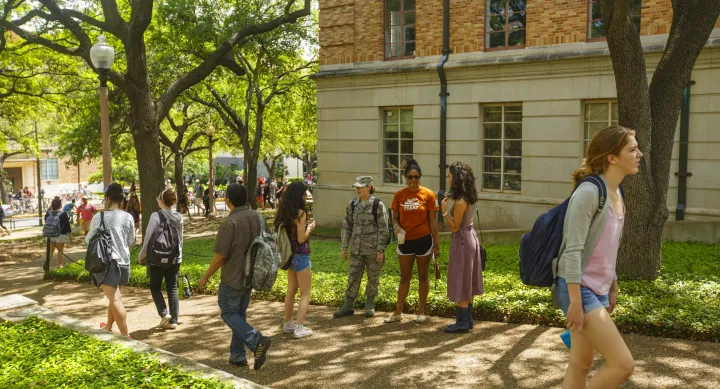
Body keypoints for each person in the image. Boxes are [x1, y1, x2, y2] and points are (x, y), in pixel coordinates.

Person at [554, 126, 641, 388]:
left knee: (581, 363)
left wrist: (612, 283)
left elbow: (607, 246)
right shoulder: (590, 192)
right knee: (623, 364)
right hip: (577, 288)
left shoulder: (618, 193)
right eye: (632, 149)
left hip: (598, 288)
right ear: (611, 157)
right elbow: (573, 249)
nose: (640, 154)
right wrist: (575, 301)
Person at [197, 184, 272, 370]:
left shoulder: (229, 223)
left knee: (229, 313)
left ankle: (256, 340)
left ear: (228, 200)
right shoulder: (257, 216)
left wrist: (205, 277)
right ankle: (237, 356)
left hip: (233, 277)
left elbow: (221, 256)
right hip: (251, 276)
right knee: (239, 315)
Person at [386, 159, 440, 324]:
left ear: (420, 177)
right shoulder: (399, 195)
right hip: (405, 241)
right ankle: (397, 312)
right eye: (410, 177)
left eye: (416, 177)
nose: (413, 180)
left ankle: (421, 312)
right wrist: (395, 227)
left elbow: (433, 222)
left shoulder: (428, 195)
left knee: (423, 276)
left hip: (423, 239)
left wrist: (436, 245)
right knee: (404, 277)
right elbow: (395, 218)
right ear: (405, 177)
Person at [334, 176, 389, 318]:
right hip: (356, 249)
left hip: (373, 250)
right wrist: (345, 246)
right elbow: (347, 226)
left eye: (360, 187)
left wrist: (380, 250)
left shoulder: (378, 205)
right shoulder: (352, 204)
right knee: (353, 276)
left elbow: (383, 229)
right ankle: (348, 305)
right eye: (356, 186)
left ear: (369, 187)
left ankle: (369, 304)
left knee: (373, 277)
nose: (357, 189)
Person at [86, 183, 136, 338]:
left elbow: (89, 239)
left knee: (114, 299)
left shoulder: (99, 217)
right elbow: (131, 240)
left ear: (107, 198)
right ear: (121, 199)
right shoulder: (128, 216)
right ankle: (108, 326)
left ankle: (125, 335)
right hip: (124, 263)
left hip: (107, 263)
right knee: (115, 298)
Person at [440, 162, 483, 333]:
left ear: (457, 178)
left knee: (461, 277)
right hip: (470, 237)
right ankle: (468, 319)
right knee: (468, 277)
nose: (448, 180)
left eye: (450, 177)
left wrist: (443, 211)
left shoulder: (460, 202)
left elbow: (454, 227)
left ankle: (462, 322)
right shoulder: (468, 197)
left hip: (462, 239)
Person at [275, 182, 315, 338]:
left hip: (289, 256)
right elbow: (300, 238)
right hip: (301, 255)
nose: (306, 196)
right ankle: (299, 327)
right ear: (299, 195)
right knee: (305, 293)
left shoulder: (284, 211)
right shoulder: (300, 213)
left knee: (290, 292)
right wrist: (309, 229)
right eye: (304, 193)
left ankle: (288, 323)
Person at [139, 189, 184, 330]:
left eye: (158, 198)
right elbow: (180, 238)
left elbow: (148, 237)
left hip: (158, 257)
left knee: (154, 286)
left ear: (162, 201)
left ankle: (164, 313)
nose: (157, 200)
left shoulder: (156, 215)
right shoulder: (179, 216)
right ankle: (174, 320)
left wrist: (142, 255)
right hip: (175, 257)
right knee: (172, 288)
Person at [45, 198, 72, 269]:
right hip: (61, 234)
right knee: (60, 250)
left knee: (51, 251)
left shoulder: (49, 212)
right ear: (60, 205)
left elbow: (46, 221)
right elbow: (67, 225)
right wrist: (70, 235)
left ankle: (47, 263)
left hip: (51, 234)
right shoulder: (63, 213)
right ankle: (59, 265)